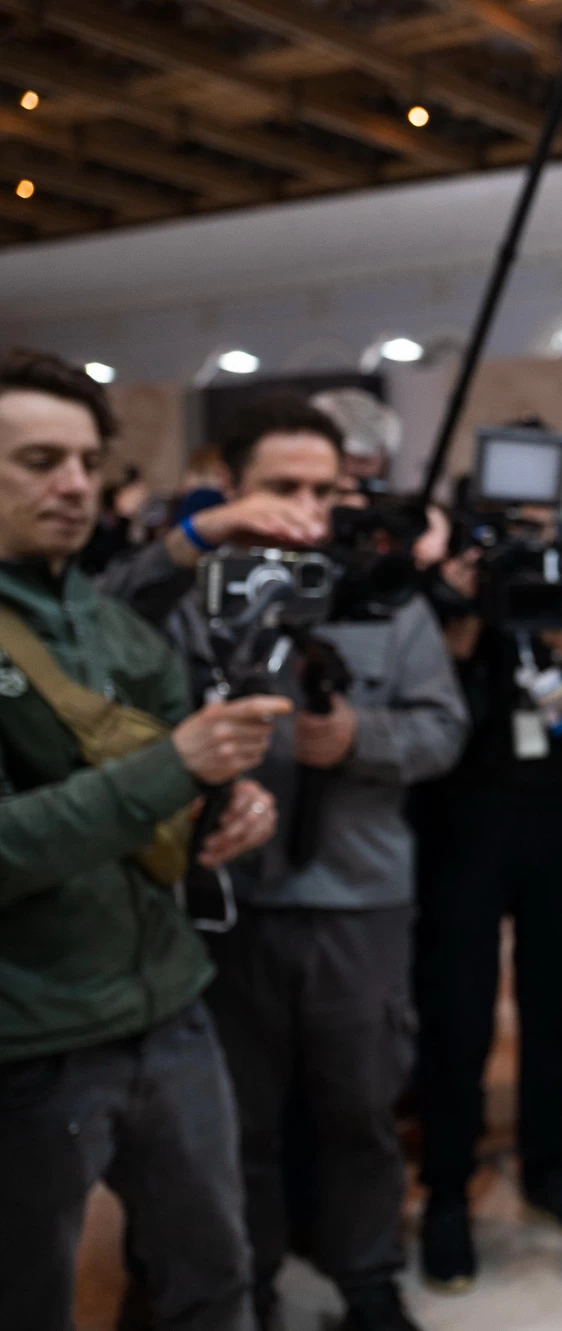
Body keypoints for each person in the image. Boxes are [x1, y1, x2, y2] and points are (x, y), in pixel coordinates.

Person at [127, 395, 469, 1331]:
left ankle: (367, 1277)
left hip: (358, 896)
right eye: (282, 487)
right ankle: (253, 1281)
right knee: (236, 1122)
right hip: (227, 902)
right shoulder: (189, 600)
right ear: (230, 487)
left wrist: (359, 737)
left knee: (362, 1110)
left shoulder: (384, 596)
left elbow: (444, 729)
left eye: (325, 490)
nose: (306, 512)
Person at [0, 348, 288, 1331]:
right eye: (39, 460)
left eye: (87, 461)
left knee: (215, 1276)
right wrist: (177, 767)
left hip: (171, 1005)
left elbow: (183, 782)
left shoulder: (114, 623)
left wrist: (232, 806)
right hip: (30, 1038)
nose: (75, 484)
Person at [411, 501, 562, 1292]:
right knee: (457, 1015)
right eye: (511, 517)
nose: (527, 533)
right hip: (464, 818)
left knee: (552, 1007)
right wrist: (464, 608)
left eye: (540, 515)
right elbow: (428, 696)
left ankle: (547, 1166)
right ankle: (446, 1192)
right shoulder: (456, 586)